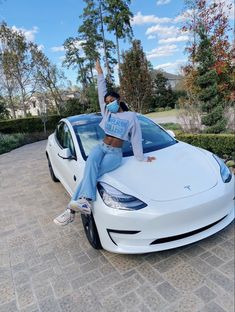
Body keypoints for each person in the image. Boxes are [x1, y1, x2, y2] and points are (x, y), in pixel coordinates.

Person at [54, 60, 156, 226]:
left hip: (115, 154)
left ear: (119, 99)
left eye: (111, 100)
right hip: (100, 147)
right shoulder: (107, 112)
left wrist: (142, 158)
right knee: (90, 171)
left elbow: (136, 138)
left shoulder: (131, 117)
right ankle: (82, 204)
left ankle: (71, 210)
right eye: (107, 102)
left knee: (91, 174)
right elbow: (101, 90)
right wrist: (99, 73)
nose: (109, 103)